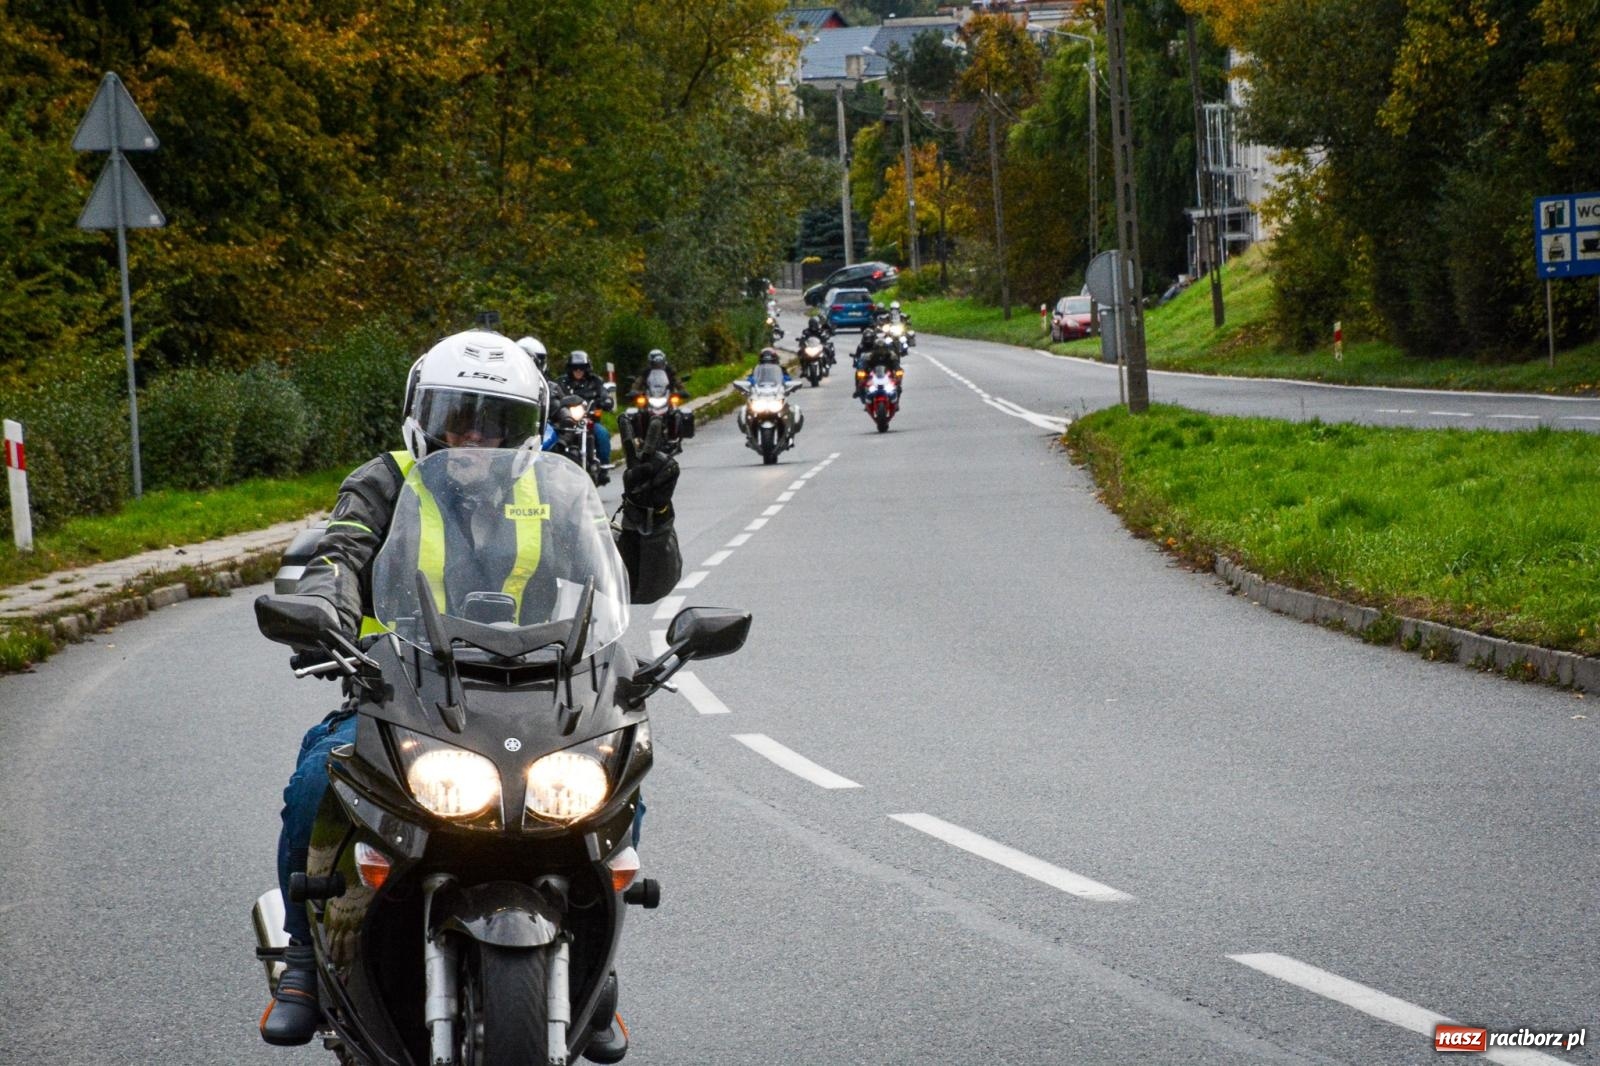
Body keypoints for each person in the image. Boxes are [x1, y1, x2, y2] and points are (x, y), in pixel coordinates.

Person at [261, 330, 679, 1057]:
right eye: (461, 416)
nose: (477, 437)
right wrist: (325, 613)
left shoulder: (549, 495)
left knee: (619, 778)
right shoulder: (383, 480)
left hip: (540, 694)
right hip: (405, 686)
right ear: (424, 417)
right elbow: (342, 552)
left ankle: (594, 968)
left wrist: (648, 519)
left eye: (498, 421)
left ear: (527, 429)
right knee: (311, 780)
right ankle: (302, 958)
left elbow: (628, 582)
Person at [556, 349, 615, 484]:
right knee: (553, 436)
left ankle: (603, 468)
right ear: (569, 368)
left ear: (587, 368)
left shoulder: (595, 381)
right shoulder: (561, 382)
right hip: (567, 422)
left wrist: (606, 401)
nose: (578, 370)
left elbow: (604, 394)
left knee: (602, 434)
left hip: (590, 421)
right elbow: (554, 395)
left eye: (581, 367)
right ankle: (551, 468)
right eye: (575, 367)